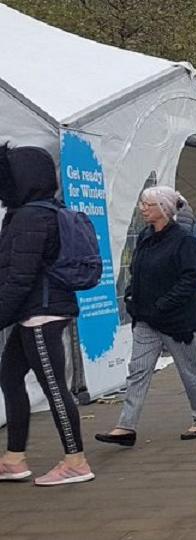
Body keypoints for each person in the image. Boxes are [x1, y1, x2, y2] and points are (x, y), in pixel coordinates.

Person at [0, 146, 94, 486]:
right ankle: (13, 458)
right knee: (10, 377)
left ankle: (76, 461)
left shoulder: (30, 218)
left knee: (55, 388)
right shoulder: (42, 211)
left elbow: (19, 277)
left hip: (41, 314)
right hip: (38, 312)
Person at [96, 186, 196, 448]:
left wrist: (162, 304)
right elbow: (138, 272)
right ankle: (125, 426)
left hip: (178, 322)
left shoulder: (184, 240)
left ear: (164, 209)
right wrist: (130, 295)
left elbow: (189, 280)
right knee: (137, 371)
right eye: (142, 204)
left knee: (190, 372)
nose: (142, 208)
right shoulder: (145, 236)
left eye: (147, 204)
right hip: (147, 320)